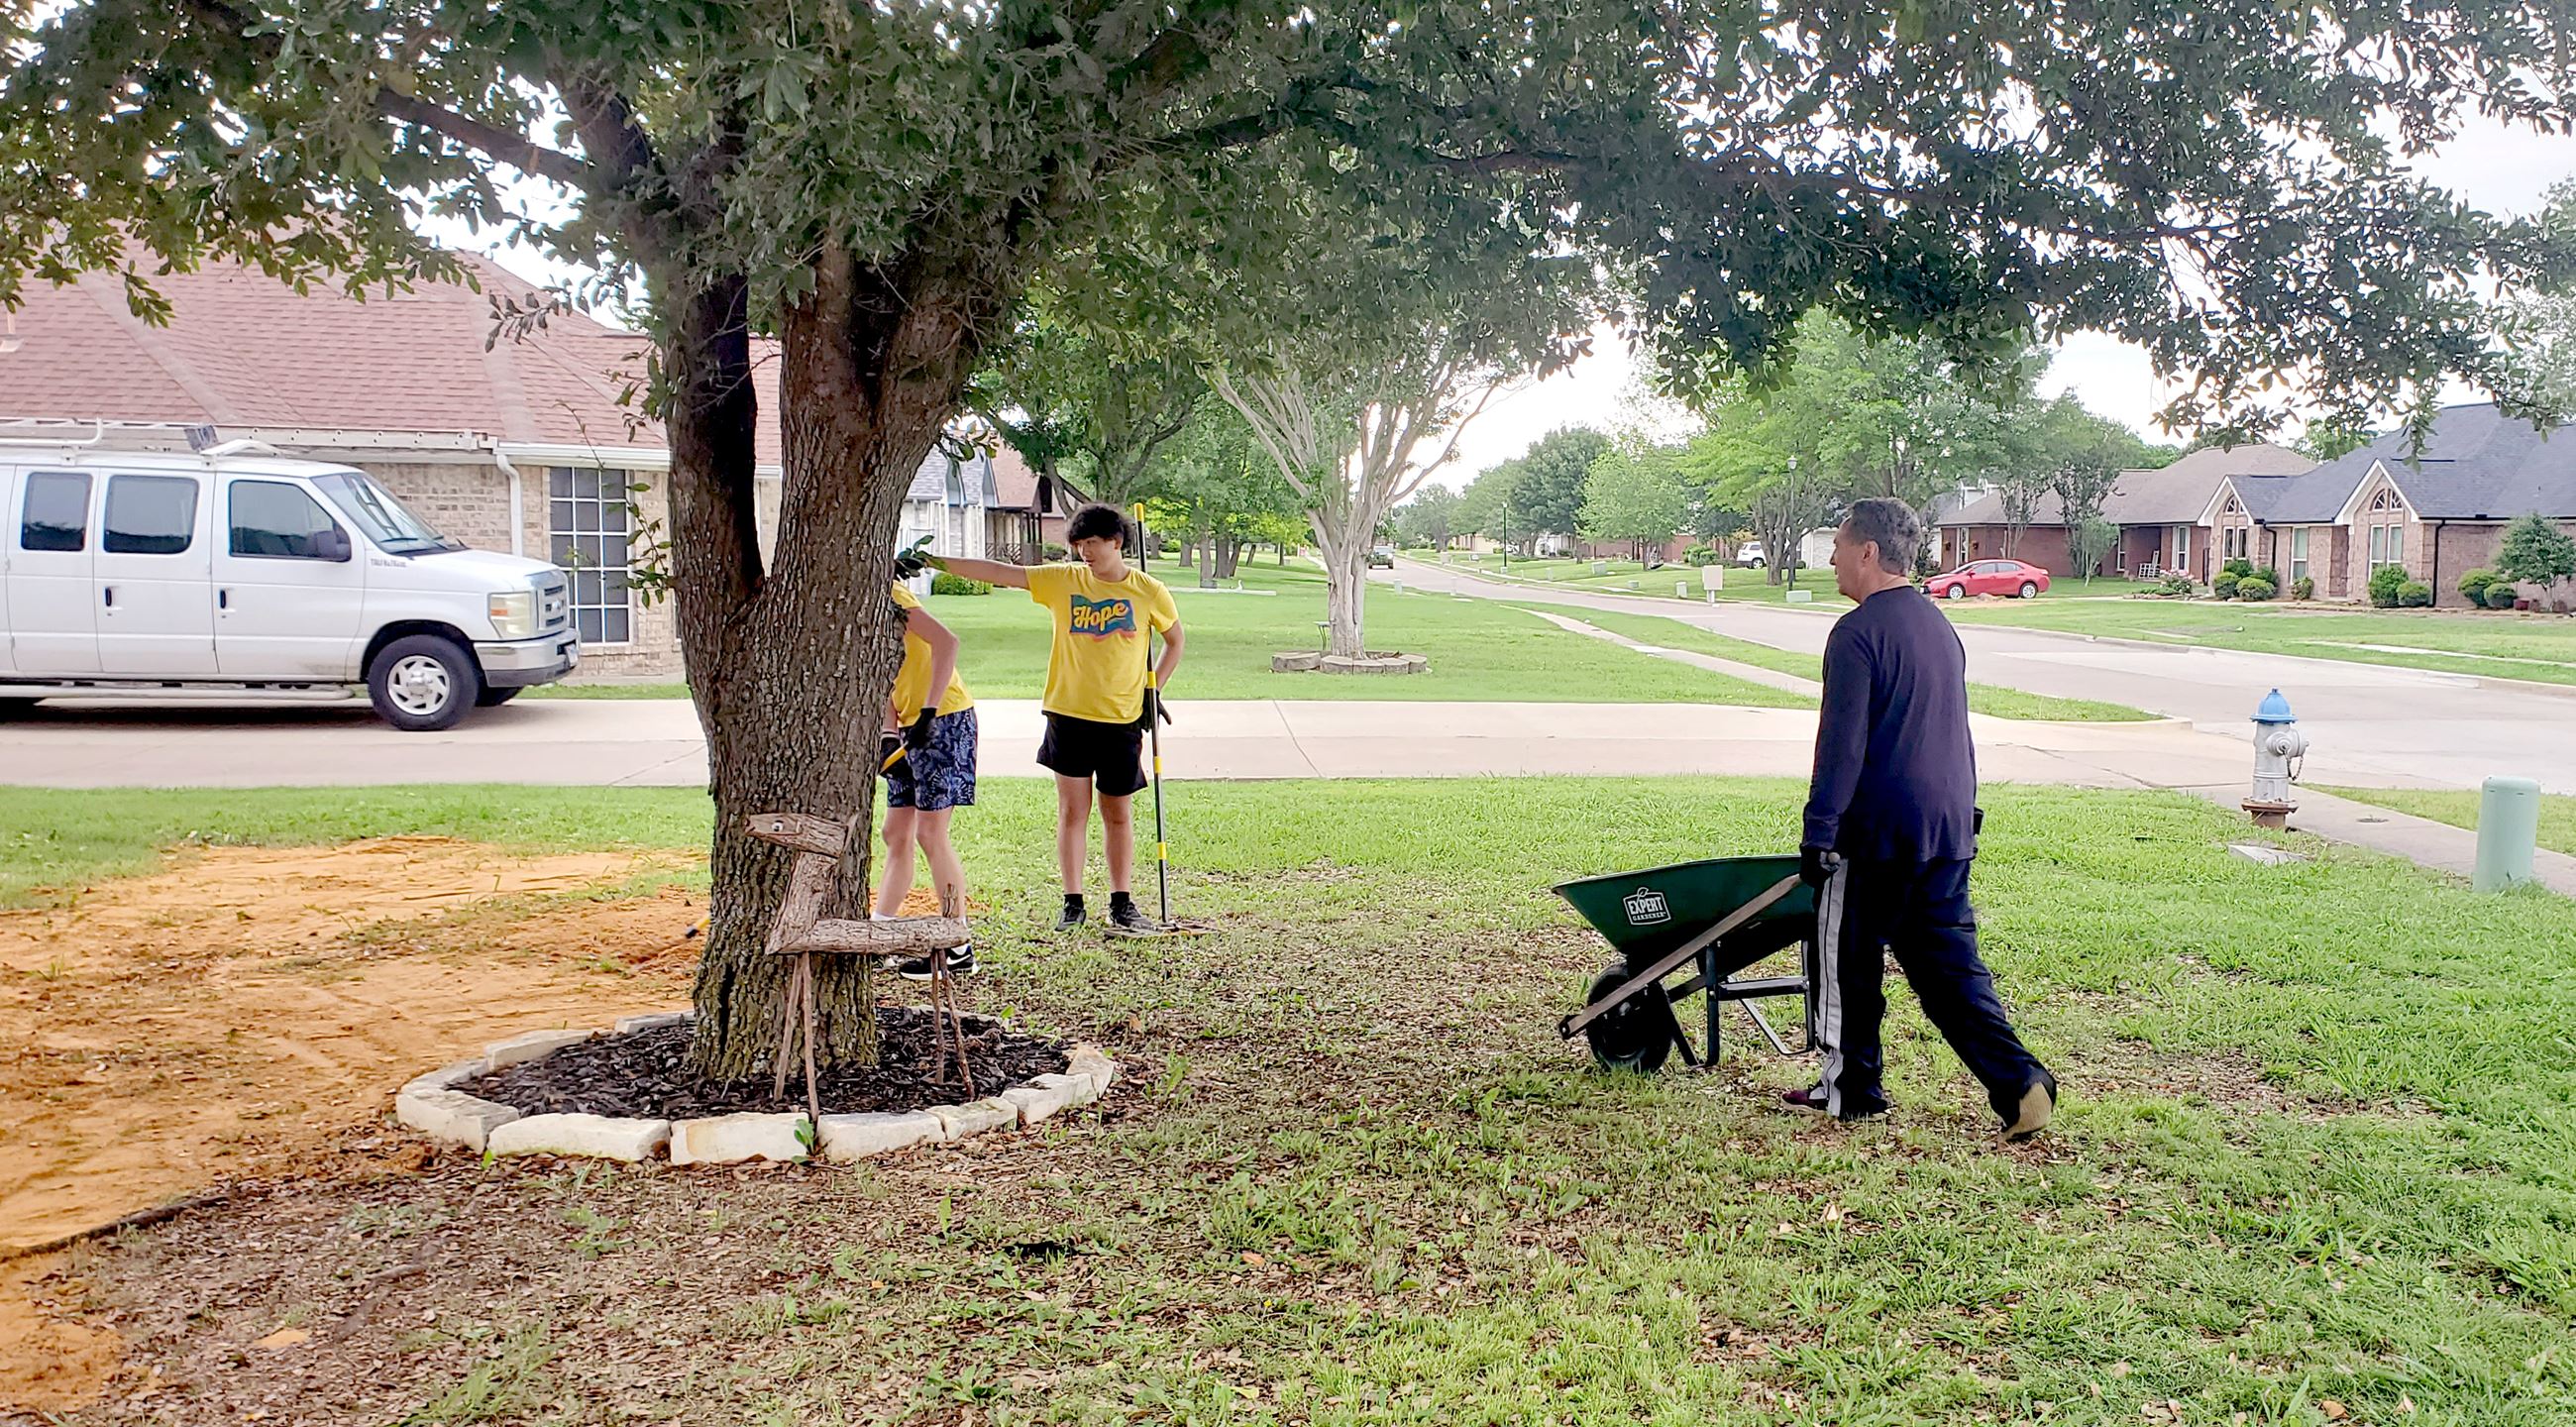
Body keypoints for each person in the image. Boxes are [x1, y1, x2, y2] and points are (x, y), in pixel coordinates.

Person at [1793, 497, 2058, 1142]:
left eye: (1838, 545)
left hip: (1875, 835)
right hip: (1944, 830)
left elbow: (1841, 746)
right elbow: (1952, 733)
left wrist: (1819, 832)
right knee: (1948, 972)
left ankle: (1851, 1085)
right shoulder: (1938, 626)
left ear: (1867, 552)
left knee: (1842, 961)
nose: (1831, 558)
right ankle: (2020, 1081)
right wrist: (1964, 816)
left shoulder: (1857, 634)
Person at [932, 503, 1185, 934]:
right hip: (1067, 714)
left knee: (1118, 813)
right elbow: (998, 573)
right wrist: (933, 560)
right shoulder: (1063, 581)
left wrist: (1152, 689)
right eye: (1078, 544)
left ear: (1116, 542)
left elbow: (1174, 641)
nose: (1084, 552)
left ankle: (1122, 902)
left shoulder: (1148, 590)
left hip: (1121, 719)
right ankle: (1073, 902)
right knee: (1072, 811)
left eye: (1092, 543)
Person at [877, 577, 978, 979]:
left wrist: (929, 712)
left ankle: (958, 946)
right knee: (895, 831)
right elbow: (880, 675)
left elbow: (947, 642)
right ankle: (880, 934)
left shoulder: (893, 597)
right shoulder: (852, 607)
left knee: (930, 833)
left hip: (944, 720)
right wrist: (888, 733)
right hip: (905, 725)